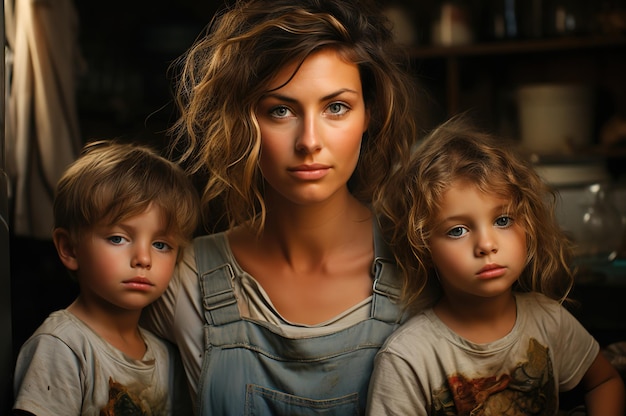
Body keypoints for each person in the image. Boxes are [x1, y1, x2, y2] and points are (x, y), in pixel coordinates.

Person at [141, 0, 421, 414]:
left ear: (370, 115)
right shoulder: (180, 283)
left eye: (336, 107)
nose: (309, 141)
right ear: (243, 121)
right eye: (281, 110)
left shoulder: (422, 266)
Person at [366, 117, 626, 415]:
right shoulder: (409, 356)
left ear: (528, 225)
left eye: (503, 221)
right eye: (458, 230)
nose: (486, 245)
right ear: (423, 248)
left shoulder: (548, 320)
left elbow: (604, 381)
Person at [12, 140, 199, 415]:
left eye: (161, 245)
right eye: (118, 238)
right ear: (69, 248)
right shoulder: (63, 346)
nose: (143, 259)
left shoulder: (166, 355)